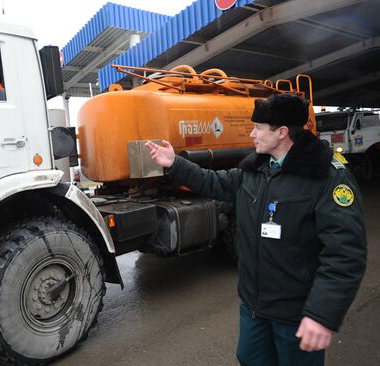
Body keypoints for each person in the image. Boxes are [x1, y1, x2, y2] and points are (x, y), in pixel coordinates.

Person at [145, 93, 367, 366]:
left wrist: (321, 314)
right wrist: (175, 164)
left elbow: (345, 253)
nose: (252, 134)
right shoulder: (254, 169)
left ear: (282, 133)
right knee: (250, 359)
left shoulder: (326, 177)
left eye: (259, 128)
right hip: (253, 307)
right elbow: (213, 182)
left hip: (296, 314)